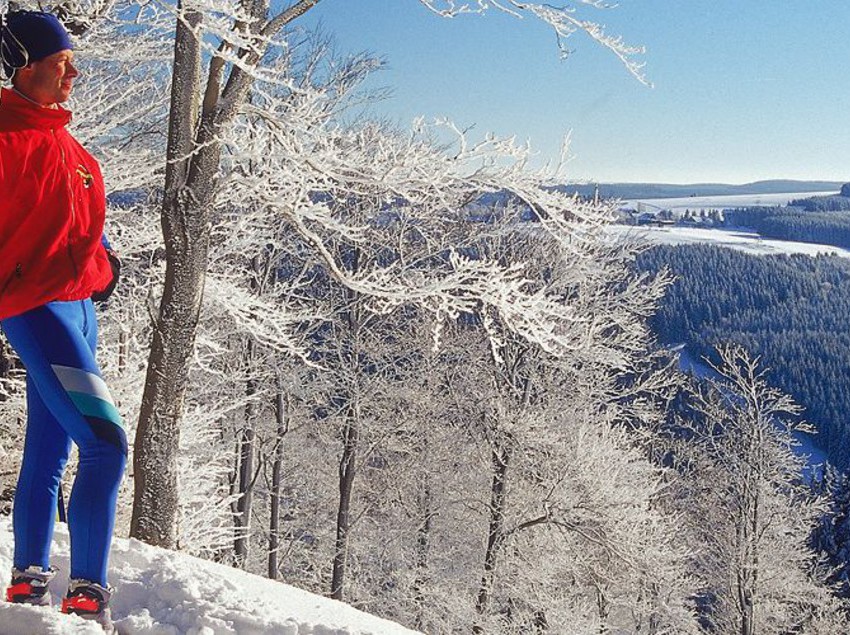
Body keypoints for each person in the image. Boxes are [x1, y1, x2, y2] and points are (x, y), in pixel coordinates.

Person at [0, 10, 124, 633]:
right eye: (58, 61)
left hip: (80, 310)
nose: (71, 69)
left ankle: (27, 581)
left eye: (72, 58)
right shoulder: (3, 139)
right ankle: (88, 592)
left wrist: (105, 270)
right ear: (23, 66)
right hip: (35, 309)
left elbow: (76, 235)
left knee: (49, 451)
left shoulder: (75, 152)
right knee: (105, 443)